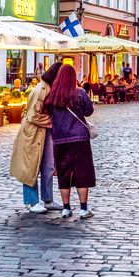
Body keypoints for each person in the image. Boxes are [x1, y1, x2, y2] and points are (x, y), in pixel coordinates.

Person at [45, 64, 96, 218]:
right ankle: (83, 209)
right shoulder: (79, 93)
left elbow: (47, 112)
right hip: (80, 138)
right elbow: (89, 111)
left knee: (63, 172)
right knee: (82, 172)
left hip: (59, 139)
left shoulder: (53, 95)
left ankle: (66, 208)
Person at [11, 61, 59, 214]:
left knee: (48, 165)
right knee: (30, 166)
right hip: (33, 133)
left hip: (44, 132)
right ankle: (32, 202)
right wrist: (53, 121)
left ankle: (48, 198)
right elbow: (33, 116)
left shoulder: (48, 88)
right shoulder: (41, 90)